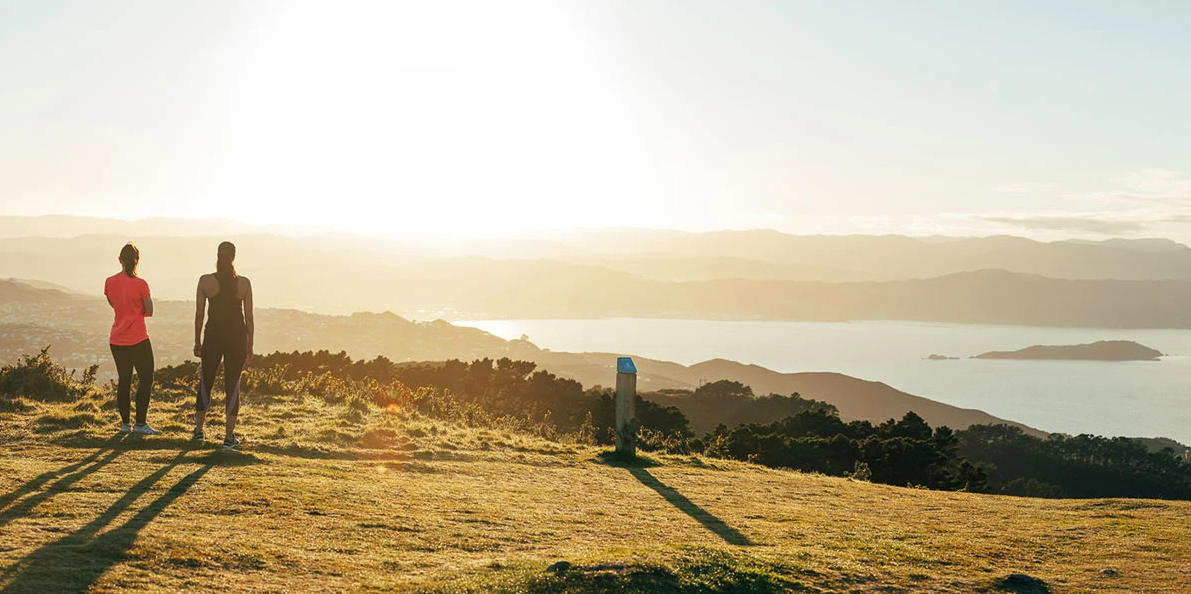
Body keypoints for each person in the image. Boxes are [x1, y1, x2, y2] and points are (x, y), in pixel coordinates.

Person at [193, 241, 254, 450]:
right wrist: (250, 345)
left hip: (213, 337)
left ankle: (199, 432)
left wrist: (197, 341)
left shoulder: (205, 281)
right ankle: (229, 437)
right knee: (233, 385)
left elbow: (199, 314)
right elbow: (249, 318)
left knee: (206, 382)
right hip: (236, 339)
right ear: (234, 257)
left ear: (217, 256)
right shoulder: (244, 283)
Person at [104, 243, 163, 435]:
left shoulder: (109, 282)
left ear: (120, 260)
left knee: (124, 380)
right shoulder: (141, 284)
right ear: (137, 261)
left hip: (117, 339)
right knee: (146, 379)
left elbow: (114, 304)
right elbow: (150, 311)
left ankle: (124, 424)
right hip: (138, 338)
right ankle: (140, 424)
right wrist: (137, 312)